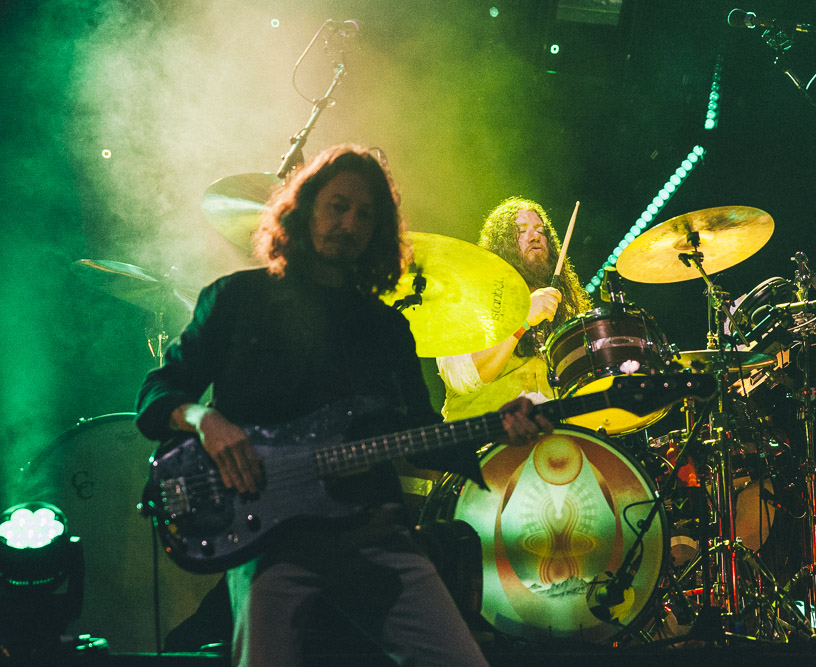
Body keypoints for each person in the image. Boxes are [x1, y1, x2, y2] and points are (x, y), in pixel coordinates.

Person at [135, 145, 550, 667]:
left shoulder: (387, 329)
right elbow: (157, 394)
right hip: (272, 537)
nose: (349, 222)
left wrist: (497, 427)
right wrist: (203, 419)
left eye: (365, 214)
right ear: (304, 208)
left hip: (375, 531)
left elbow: (420, 435)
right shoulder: (234, 300)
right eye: (338, 205)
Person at [436, 196, 592, 422]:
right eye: (521, 231)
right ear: (502, 245)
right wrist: (523, 319)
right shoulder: (470, 298)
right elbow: (463, 377)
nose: (535, 236)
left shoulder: (561, 309)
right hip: (484, 446)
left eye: (540, 230)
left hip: (550, 447)